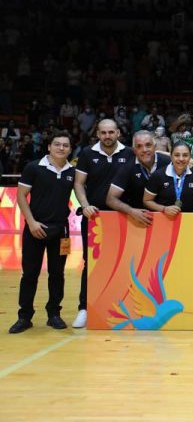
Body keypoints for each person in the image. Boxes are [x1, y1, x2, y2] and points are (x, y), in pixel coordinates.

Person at [9, 132, 75, 334]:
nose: (61, 148)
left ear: (70, 149)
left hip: (61, 231)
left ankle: (54, 314)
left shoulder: (73, 171)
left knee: (57, 274)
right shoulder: (33, 167)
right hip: (35, 228)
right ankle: (24, 317)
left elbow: (82, 191)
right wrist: (31, 223)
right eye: (57, 144)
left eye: (65, 145)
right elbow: (21, 196)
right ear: (49, 147)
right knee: (30, 274)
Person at [73, 119, 135, 329]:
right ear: (98, 134)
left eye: (111, 132)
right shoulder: (87, 154)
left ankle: (123, 306)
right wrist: (85, 205)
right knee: (90, 262)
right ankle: (84, 308)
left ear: (118, 133)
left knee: (125, 261)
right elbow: (78, 184)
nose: (107, 136)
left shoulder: (129, 153)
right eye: (103, 133)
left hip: (123, 217)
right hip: (95, 218)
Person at [106, 130, 171, 226]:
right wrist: (131, 211)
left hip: (167, 219)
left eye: (148, 145)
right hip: (137, 221)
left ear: (155, 146)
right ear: (134, 149)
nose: (144, 150)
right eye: (139, 146)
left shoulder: (168, 162)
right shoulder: (127, 168)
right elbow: (110, 199)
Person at [143, 141, 193, 215]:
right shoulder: (158, 175)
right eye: (177, 155)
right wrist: (164, 209)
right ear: (171, 156)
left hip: (189, 219)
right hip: (165, 218)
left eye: (185, 155)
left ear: (190, 157)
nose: (181, 159)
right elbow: (147, 201)